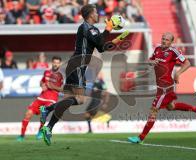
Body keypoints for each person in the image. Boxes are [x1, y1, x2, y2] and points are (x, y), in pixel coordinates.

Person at [40, 4, 129, 145]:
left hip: (76, 65)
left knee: (71, 99)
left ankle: (48, 115)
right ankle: (49, 120)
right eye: (96, 12)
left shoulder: (92, 29)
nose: (98, 14)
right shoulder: (86, 27)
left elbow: (101, 47)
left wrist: (116, 40)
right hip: (78, 66)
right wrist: (108, 29)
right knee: (80, 99)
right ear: (90, 15)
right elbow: (100, 40)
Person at [128, 32, 196, 144]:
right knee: (171, 107)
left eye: (167, 40)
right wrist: (151, 62)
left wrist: (178, 73)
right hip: (160, 86)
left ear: (171, 42)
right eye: (163, 38)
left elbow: (187, 63)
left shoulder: (173, 51)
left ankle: (140, 138)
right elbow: (149, 60)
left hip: (165, 87)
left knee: (153, 110)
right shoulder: (157, 49)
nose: (164, 41)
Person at [16, 56, 63, 142]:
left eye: (57, 62)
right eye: (54, 62)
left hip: (51, 99)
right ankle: (22, 135)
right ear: (52, 63)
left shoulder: (60, 75)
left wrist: (51, 86)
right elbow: (41, 81)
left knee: (43, 113)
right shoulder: (46, 72)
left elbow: (61, 89)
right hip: (41, 97)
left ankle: (40, 132)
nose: (56, 64)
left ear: (60, 64)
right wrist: (42, 85)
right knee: (28, 113)